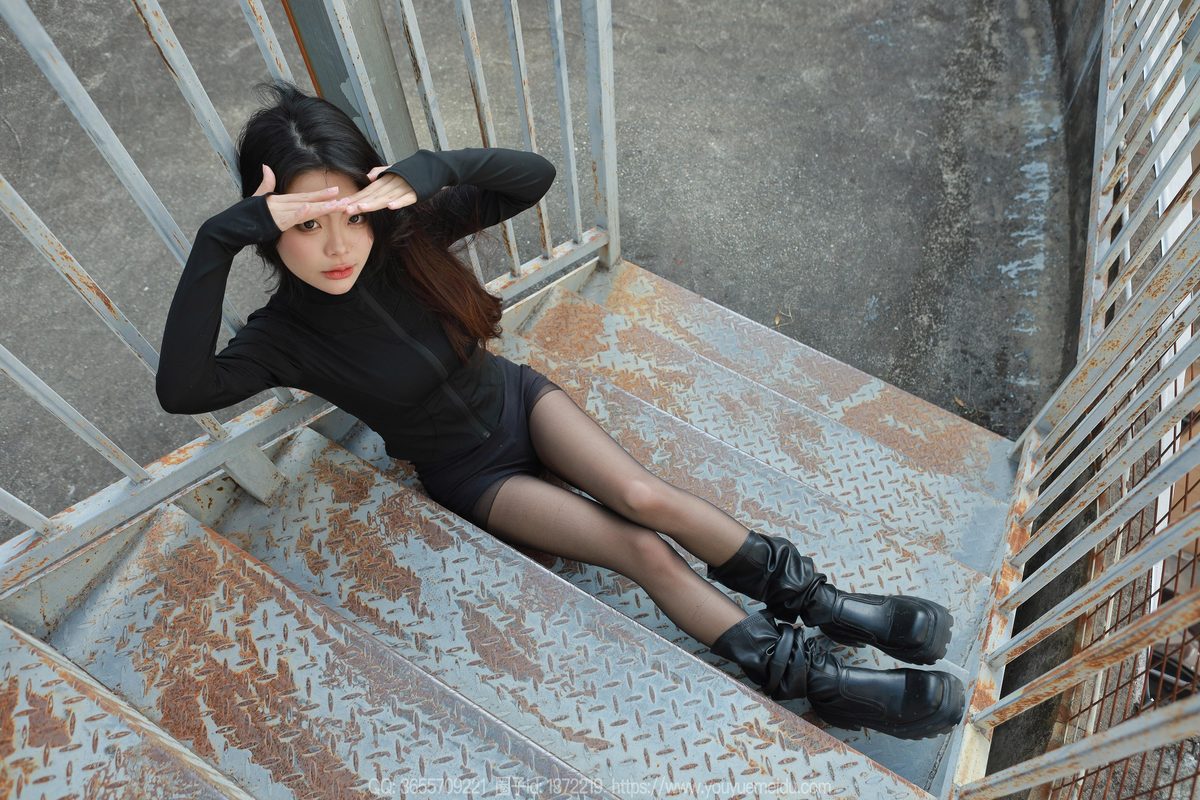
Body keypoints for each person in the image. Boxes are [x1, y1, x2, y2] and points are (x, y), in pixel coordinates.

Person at [155, 80, 966, 740]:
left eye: (352, 214)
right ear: (268, 226)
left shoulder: (412, 238)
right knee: (638, 547)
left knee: (647, 496)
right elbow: (182, 389)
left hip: (518, 401)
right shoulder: (283, 336)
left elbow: (533, 176)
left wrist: (434, 168)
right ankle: (818, 681)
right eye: (306, 224)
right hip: (470, 472)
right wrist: (218, 238)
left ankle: (822, 604)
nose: (337, 246)